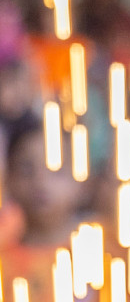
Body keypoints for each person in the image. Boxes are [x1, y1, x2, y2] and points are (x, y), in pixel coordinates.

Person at [0, 115, 92, 302]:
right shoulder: (3, 263)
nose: (40, 182)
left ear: (83, 180)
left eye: (56, 169)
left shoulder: (103, 251)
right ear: (8, 180)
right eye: (27, 169)